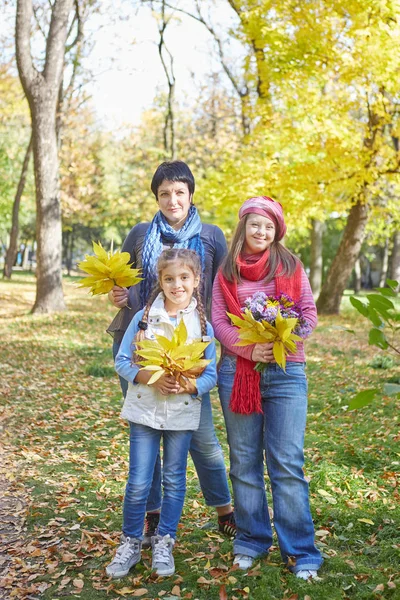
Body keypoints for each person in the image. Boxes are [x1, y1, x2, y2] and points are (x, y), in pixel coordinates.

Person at [107, 161, 235, 544]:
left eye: (179, 192)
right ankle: (153, 512)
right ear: (156, 197)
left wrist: (223, 340)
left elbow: (223, 288)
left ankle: (224, 508)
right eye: (164, 193)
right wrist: (119, 295)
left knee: (202, 437)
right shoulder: (140, 233)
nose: (172, 199)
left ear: (190, 195)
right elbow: (128, 285)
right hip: (141, 344)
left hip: (191, 347)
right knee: (148, 426)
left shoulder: (211, 236)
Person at [211, 196, 323, 578]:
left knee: (286, 462)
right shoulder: (226, 271)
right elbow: (219, 323)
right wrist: (249, 347)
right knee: (244, 461)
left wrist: (281, 339)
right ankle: (251, 540)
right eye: (255, 224)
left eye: (269, 226)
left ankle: (301, 551)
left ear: (277, 232)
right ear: (243, 226)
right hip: (237, 373)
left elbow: (308, 315)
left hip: (286, 372)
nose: (261, 231)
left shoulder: (291, 265)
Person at [106, 249, 218, 578]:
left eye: (184, 278)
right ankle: (130, 541)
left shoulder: (202, 326)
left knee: (174, 479)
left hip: (181, 414)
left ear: (196, 281)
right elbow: (122, 362)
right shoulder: (143, 318)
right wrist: (150, 377)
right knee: (139, 482)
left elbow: (210, 374)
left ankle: (164, 540)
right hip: (145, 411)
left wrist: (188, 386)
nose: (177, 284)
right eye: (169, 278)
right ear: (161, 281)